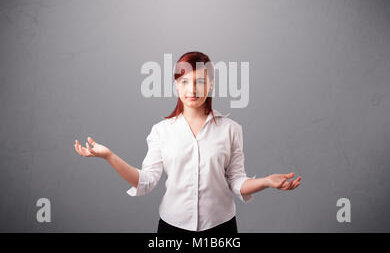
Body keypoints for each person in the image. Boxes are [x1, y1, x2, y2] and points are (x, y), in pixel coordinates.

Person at [74, 51, 302, 233]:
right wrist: (109, 156)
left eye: (200, 82)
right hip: (172, 229)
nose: (192, 89)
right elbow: (145, 181)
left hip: (221, 229)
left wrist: (267, 182)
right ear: (176, 85)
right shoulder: (161, 131)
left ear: (211, 85)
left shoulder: (231, 130)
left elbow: (236, 181)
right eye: (184, 81)